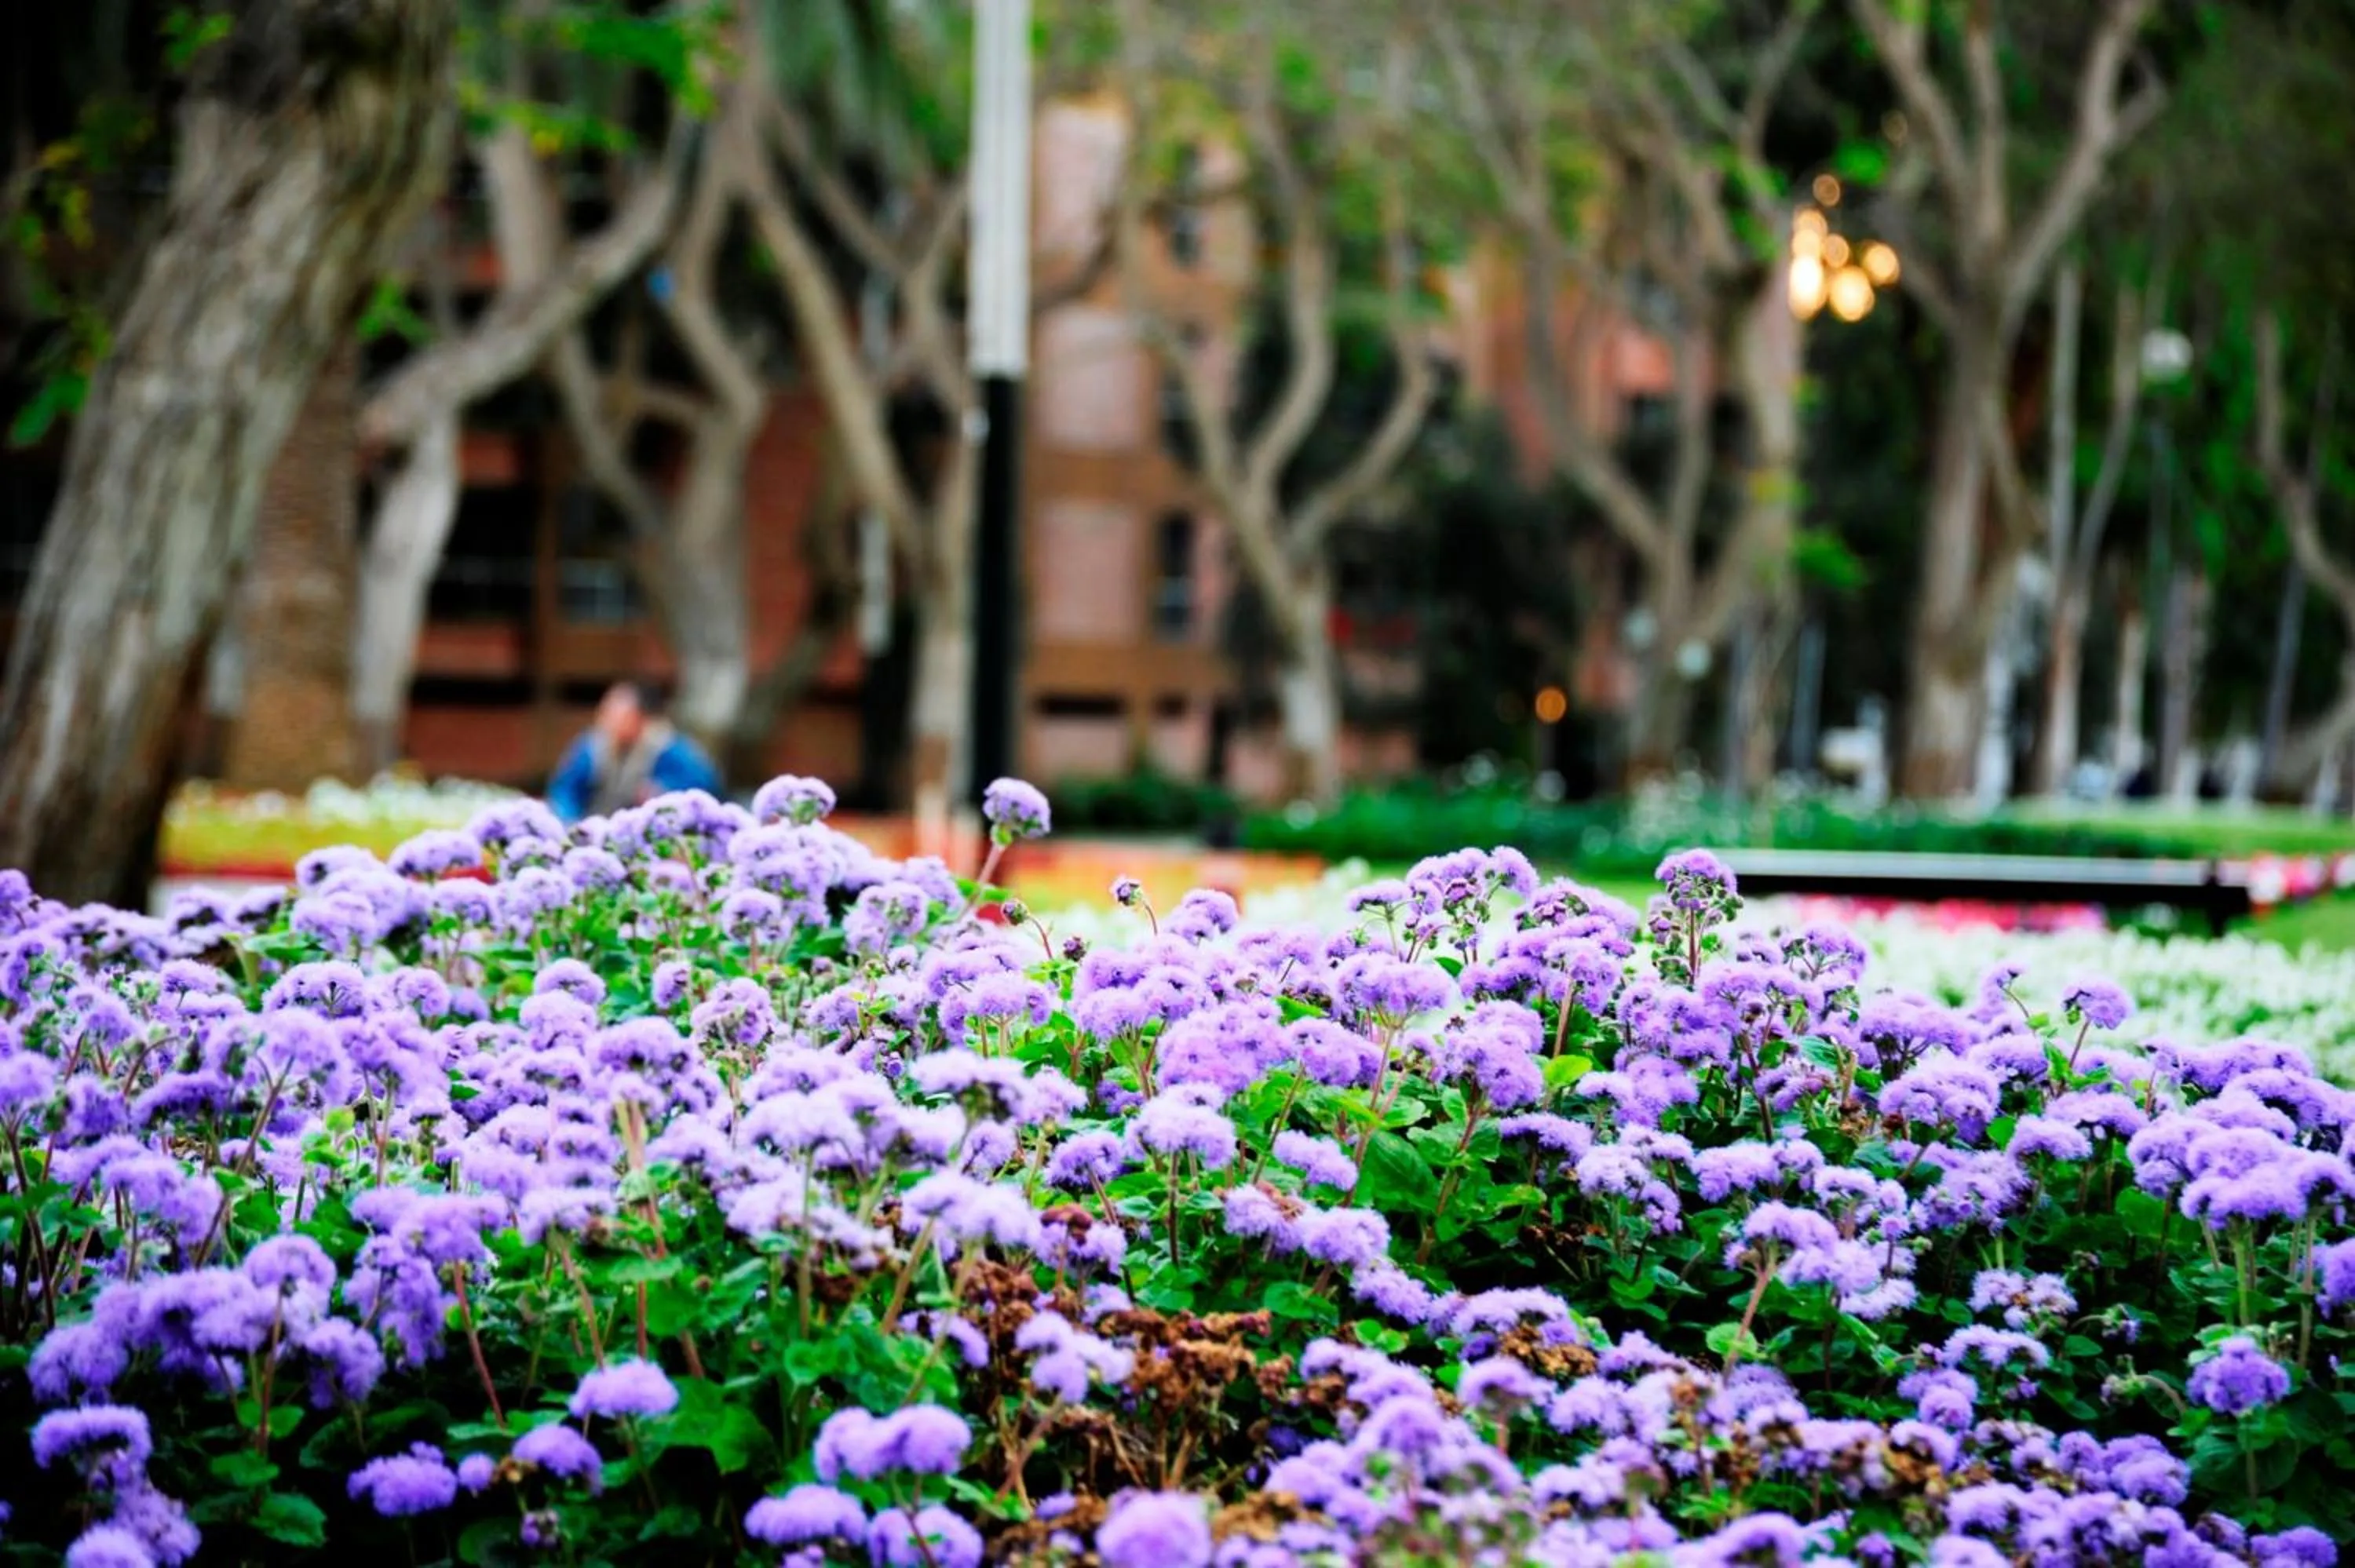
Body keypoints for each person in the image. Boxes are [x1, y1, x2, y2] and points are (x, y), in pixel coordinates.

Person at [548, 681, 723, 823]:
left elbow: (704, 785)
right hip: (596, 822)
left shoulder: (666, 747)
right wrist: (571, 820)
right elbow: (565, 789)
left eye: (621, 717)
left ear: (640, 717)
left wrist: (661, 791)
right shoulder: (592, 746)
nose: (611, 723)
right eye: (607, 714)